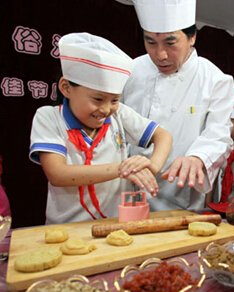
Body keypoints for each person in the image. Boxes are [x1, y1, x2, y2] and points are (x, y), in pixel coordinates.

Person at [29, 33, 172, 224]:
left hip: (114, 225)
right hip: (66, 229)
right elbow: (57, 174)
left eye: (114, 100)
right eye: (97, 99)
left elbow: (163, 136)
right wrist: (122, 169)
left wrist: (150, 166)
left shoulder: (119, 114)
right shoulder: (48, 117)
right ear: (66, 87)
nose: (106, 109)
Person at [123, 0, 234, 211]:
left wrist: (198, 157)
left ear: (192, 37)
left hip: (179, 197)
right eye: (151, 42)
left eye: (170, 43)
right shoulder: (130, 70)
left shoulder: (215, 80)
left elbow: (219, 135)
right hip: (127, 193)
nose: (160, 55)